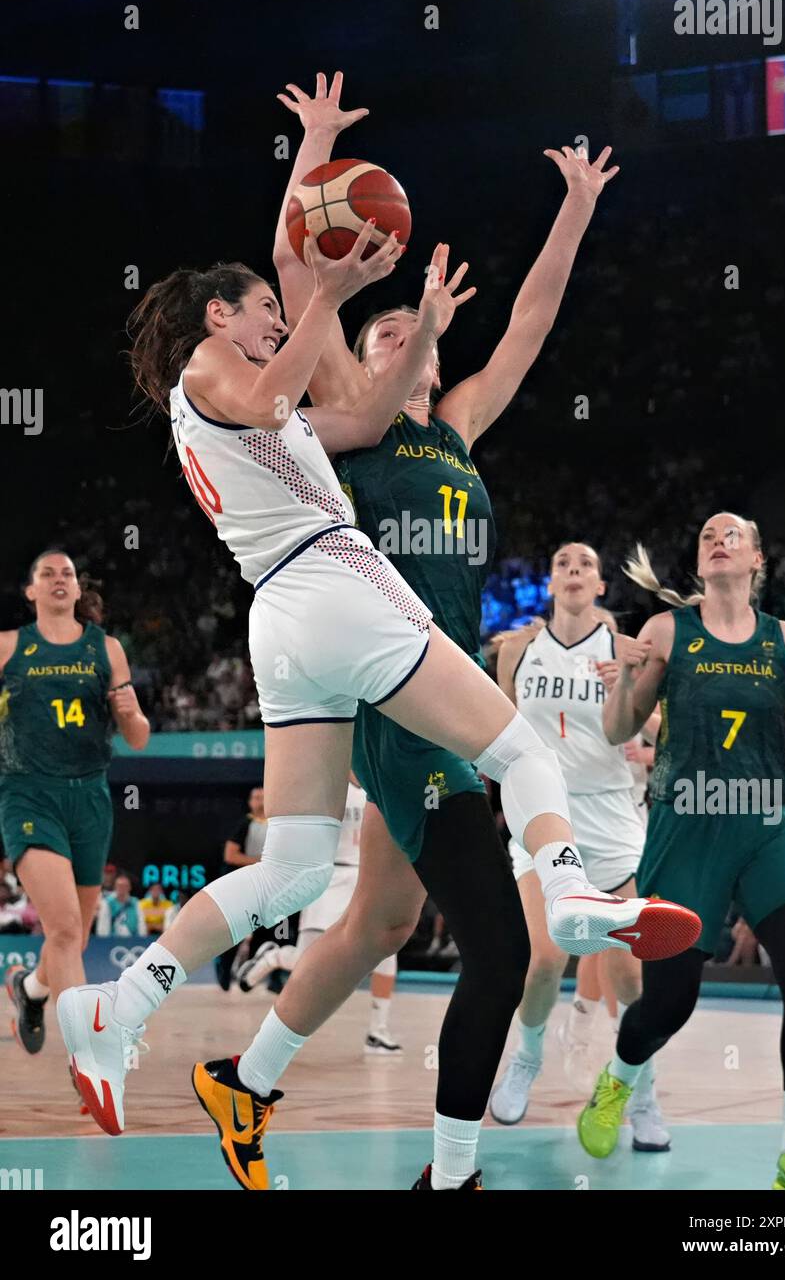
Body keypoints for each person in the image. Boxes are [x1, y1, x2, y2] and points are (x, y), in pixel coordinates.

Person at [58, 209, 695, 1150]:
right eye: (265, 309)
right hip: (343, 591)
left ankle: (123, 1005)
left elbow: (343, 397)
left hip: (290, 613)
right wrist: (329, 290)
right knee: (522, 750)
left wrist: (386, 288)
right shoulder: (227, 376)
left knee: (306, 872)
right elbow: (293, 369)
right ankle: (568, 895)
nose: (281, 319)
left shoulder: (342, 419)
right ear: (221, 315)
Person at [187, 71, 696, 1192]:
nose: (407, 331)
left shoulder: (457, 424)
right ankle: (451, 1172)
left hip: (446, 688)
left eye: (418, 323)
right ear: (359, 357)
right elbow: (291, 268)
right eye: (388, 327)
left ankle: (247, 1079)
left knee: (378, 919)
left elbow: (534, 321)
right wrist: (314, 151)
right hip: (395, 694)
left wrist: (576, 207)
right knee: (499, 947)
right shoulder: (348, 428)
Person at [578, 512, 785, 1191]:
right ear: (700, 565)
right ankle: (617, 1078)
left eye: (732, 534)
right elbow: (618, 728)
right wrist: (621, 679)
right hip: (684, 830)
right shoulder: (666, 631)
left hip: (764, 831)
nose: (717, 539)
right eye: (706, 535)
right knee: (670, 1004)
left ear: (757, 557)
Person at [490, 544, 669, 1150]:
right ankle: (527, 1057)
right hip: (545, 811)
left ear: (598, 585)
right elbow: (500, 728)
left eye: (585, 565)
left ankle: (642, 1095)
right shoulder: (517, 648)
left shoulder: (625, 651)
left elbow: (658, 729)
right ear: (550, 582)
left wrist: (638, 706)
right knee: (545, 959)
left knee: (630, 976)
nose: (573, 570)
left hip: (613, 815)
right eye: (563, 562)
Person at [1, 551, 149, 1058]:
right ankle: (87, 1059)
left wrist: (130, 712)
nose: (59, 580)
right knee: (63, 928)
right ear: (31, 591)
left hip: (89, 796)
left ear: (77, 590)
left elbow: (138, 737)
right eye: (47, 573)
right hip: (28, 793)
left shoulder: (105, 650)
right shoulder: (7, 649)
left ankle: (30, 989)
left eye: (66, 574)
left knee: (75, 939)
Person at [238, 774, 403, 1055]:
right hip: (330, 876)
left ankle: (378, 1032)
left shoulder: (380, 783)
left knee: (387, 953)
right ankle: (274, 957)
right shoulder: (329, 783)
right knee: (308, 961)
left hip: (368, 877)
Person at [213, 785, 269, 990]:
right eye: (256, 797)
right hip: (242, 886)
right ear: (250, 802)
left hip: (267, 888)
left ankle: (249, 976)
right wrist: (258, 862)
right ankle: (224, 971)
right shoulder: (244, 824)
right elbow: (230, 855)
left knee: (264, 932)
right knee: (236, 930)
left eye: (264, 797)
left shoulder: (276, 824)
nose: (260, 801)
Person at [96, 873, 146, 938]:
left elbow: (141, 923)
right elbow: (103, 926)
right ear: (115, 887)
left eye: (125, 886)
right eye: (119, 886)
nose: (122, 888)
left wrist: (142, 939)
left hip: (134, 940)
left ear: (130, 887)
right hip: (112, 941)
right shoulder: (107, 903)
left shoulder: (136, 902)